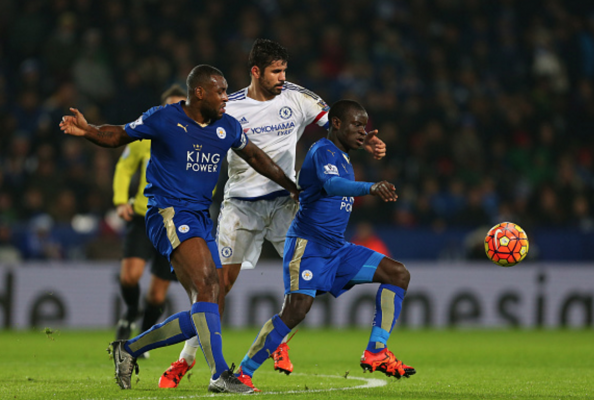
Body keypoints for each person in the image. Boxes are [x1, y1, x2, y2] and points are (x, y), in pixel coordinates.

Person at [160, 38, 387, 388]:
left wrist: (367, 138)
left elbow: (339, 122)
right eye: (275, 71)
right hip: (240, 206)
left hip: (287, 202)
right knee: (217, 287)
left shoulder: (297, 97)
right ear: (256, 71)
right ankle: (185, 361)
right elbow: (196, 129)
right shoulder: (230, 106)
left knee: (309, 284)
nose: (282, 77)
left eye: (284, 70)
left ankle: (276, 342)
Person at [59, 64, 299, 394]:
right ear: (199, 92)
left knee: (211, 301)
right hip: (168, 212)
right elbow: (118, 135)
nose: (227, 97)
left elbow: (255, 156)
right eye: (221, 91)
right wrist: (88, 131)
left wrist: (290, 185)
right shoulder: (164, 118)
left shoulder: (226, 126)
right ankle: (220, 375)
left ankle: (128, 350)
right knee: (206, 285)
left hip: (201, 216)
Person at [231, 100, 416, 392]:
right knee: (295, 311)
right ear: (337, 124)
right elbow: (330, 185)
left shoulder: (342, 155)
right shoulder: (322, 151)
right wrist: (370, 187)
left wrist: (363, 142)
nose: (362, 131)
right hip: (309, 246)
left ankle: (376, 351)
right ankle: (242, 374)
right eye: (356, 125)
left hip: (337, 249)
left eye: (364, 126)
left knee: (398, 274)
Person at [113, 84, 186, 347]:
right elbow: (124, 166)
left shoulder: (196, 140)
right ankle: (131, 310)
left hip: (174, 222)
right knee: (129, 277)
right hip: (144, 216)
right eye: (171, 106)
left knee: (157, 295)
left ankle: (141, 342)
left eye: (181, 106)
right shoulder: (146, 135)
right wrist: (121, 201)